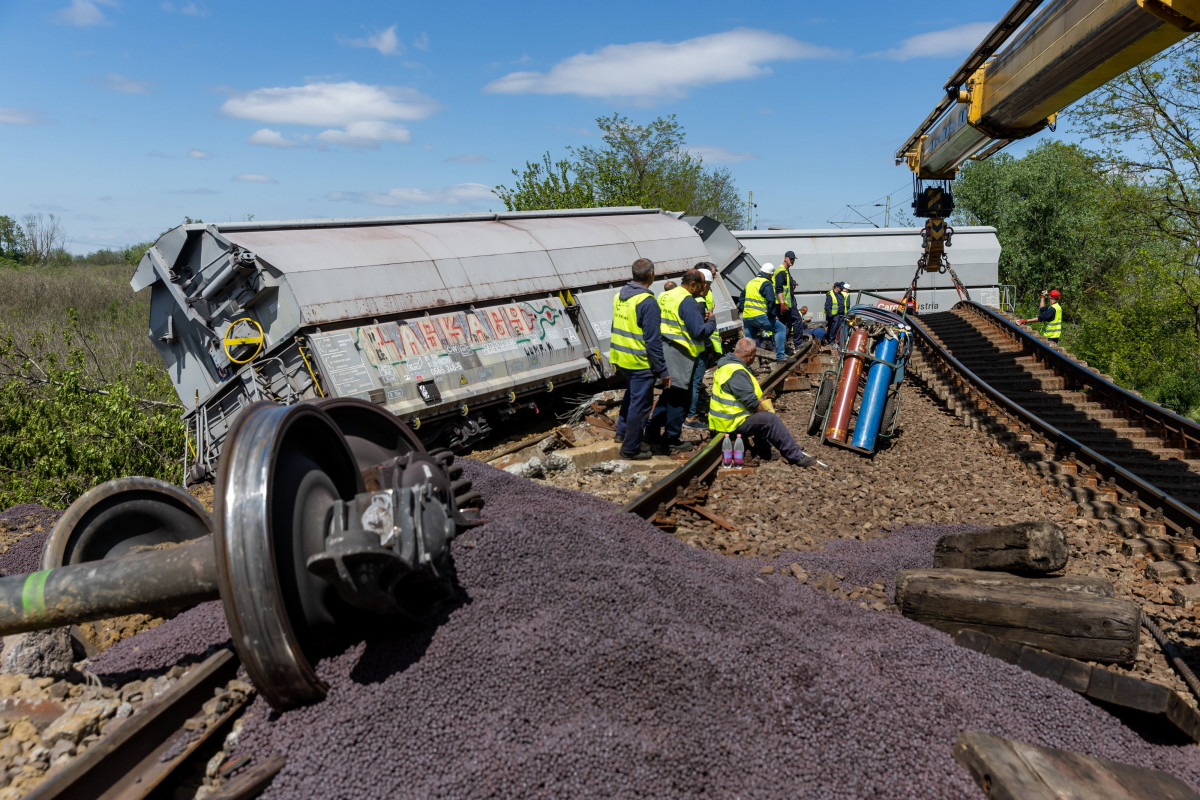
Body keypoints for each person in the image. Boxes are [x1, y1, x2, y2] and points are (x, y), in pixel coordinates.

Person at [708, 337, 818, 467]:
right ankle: (796, 456)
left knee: (762, 417)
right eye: (754, 355)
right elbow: (752, 404)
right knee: (768, 420)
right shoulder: (737, 372)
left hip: (722, 419)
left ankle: (764, 450)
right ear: (750, 353)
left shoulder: (727, 367)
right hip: (730, 422)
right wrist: (766, 413)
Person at [646, 269, 716, 454]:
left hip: (663, 349)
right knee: (680, 398)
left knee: (668, 394)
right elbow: (698, 332)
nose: (703, 290)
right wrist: (711, 323)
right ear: (693, 284)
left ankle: (652, 433)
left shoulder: (665, 295)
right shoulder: (687, 300)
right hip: (680, 353)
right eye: (701, 286)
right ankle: (671, 438)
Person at [610, 258, 669, 460]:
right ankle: (631, 448)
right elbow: (653, 341)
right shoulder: (647, 302)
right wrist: (662, 370)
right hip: (639, 361)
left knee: (632, 396)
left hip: (622, 357)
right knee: (641, 405)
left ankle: (622, 433)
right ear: (651, 275)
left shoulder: (620, 296)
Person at [684, 265, 721, 429]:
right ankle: (690, 417)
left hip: (687, 348)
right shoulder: (698, 302)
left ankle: (686, 413)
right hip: (698, 348)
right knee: (695, 383)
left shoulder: (686, 300)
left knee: (689, 383)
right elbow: (699, 331)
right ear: (703, 285)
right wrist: (711, 321)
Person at [741, 263, 788, 359]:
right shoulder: (766, 283)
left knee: (749, 340)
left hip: (747, 317)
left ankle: (747, 366)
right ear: (770, 274)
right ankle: (780, 356)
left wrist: (744, 309)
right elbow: (771, 300)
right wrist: (773, 315)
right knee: (781, 328)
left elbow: (741, 298)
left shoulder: (751, 282)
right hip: (760, 316)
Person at [774, 251, 800, 350]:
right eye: (791, 259)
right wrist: (782, 303)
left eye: (793, 259)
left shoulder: (786, 271)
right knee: (795, 321)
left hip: (787, 304)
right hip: (784, 304)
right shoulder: (781, 271)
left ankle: (782, 347)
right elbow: (778, 288)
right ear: (785, 258)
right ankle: (797, 344)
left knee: (786, 325)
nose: (792, 261)